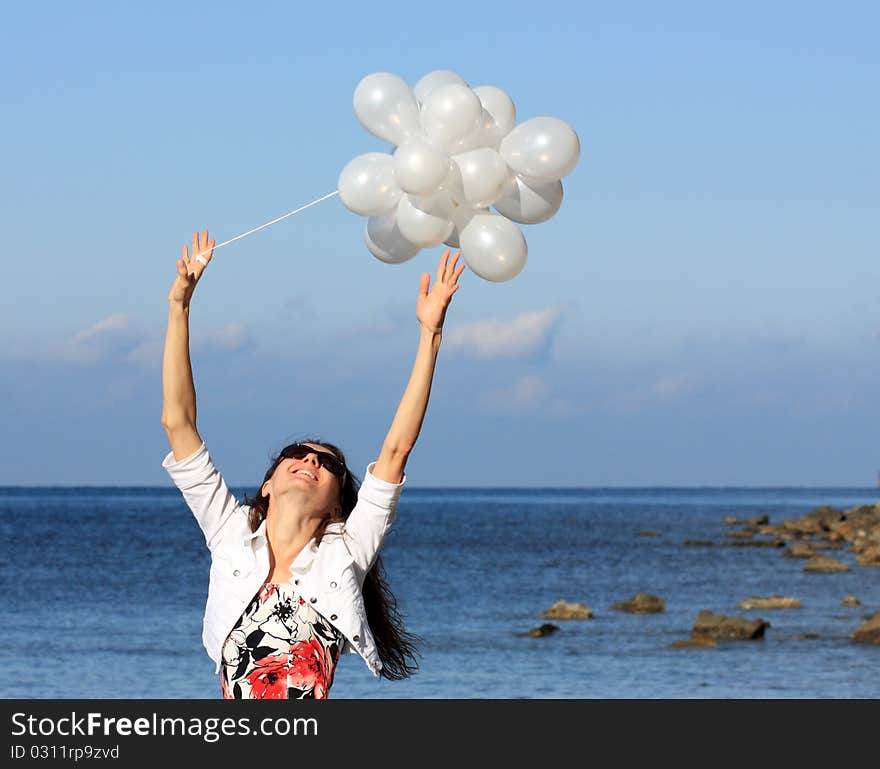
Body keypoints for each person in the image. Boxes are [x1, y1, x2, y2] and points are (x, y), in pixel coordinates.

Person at [160, 229, 465, 698]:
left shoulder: (347, 550)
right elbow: (177, 423)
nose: (309, 461)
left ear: (338, 505)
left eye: (327, 464)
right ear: (267, 486)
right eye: (296, 455)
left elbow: (396, 450)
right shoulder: (230, 533)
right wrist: (179, 308)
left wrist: (431, 334)